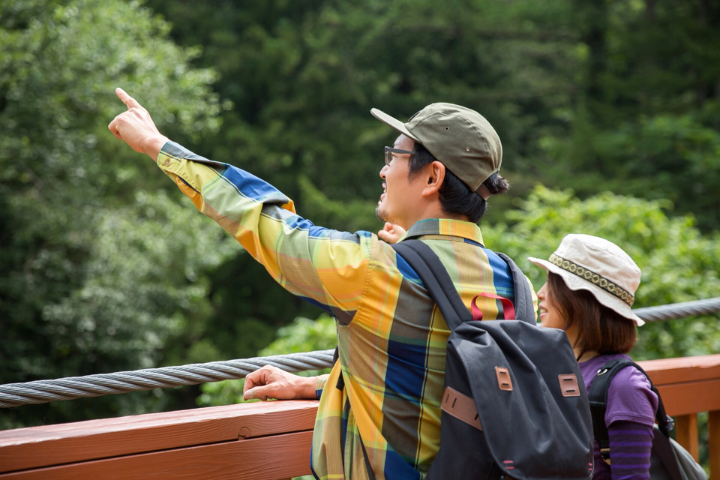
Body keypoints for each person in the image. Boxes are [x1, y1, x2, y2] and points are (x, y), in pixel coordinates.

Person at [109, 88, 535, 480]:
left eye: (395, 155)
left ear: (432, 177)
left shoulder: (376, 271)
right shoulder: (517, 285)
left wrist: (158, 146)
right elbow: (438, 383)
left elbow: (265, 221)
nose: (384, 170)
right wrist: (314, 386)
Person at [529, 234, 657, 480]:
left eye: (552, 283)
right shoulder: (552, 367)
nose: (540, 293)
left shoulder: (624, 386)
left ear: (581, 299)